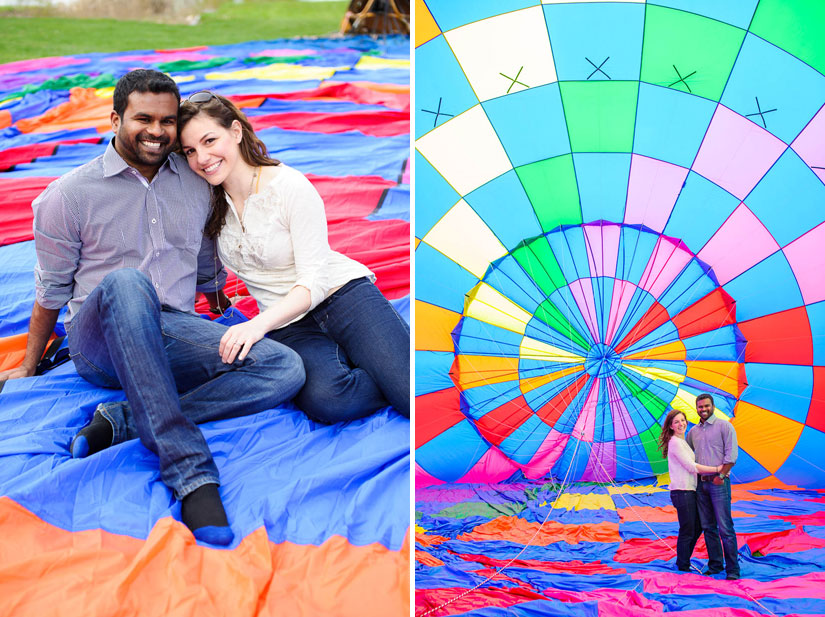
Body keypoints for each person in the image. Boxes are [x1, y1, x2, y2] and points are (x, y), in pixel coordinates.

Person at [0, 70, 305, 546]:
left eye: (167, 121)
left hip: (171, 329)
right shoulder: (68, 194)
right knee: (126, 283)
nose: (157, 131)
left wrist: (224, 311)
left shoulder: (195, 178)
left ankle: (124, 418)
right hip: (100, 339)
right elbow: (51, 290)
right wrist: (28, 363)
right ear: (115, 118)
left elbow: (205, 260)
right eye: (143, 118)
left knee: (283, 368)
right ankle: (192, 475)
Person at [177, 92, 410, 422]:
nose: (202, 157)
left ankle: (392, 363)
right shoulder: (208, 201)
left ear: (236, 132)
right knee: (331, 402)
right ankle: (382, 361)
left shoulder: (289, 186)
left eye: (209, 140)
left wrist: (256, 326)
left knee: (411, 397)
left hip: (340, 296)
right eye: (190, 151)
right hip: (288, 323)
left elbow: (313, 281)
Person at [658, 409, 722, 572]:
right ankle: (683, 564)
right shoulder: (675, 442)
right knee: (687, 528)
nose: (681, 424)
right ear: (671, 426)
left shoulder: (683, 441)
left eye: (683, 420)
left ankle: (683, 558)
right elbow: (691, 466)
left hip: (689, 491)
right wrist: (717, 469)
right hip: (682, 492)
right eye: (677, 422)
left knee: (698, 525)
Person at [687, 393, 740, 580]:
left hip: (719, 483)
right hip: (702, 485)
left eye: (706, 406)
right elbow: (688, 456)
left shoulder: (725, 426)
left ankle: (733, 569)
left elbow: (731, 456)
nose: (703, 409)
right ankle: (716, 565)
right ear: (696, 408)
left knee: (725, 527)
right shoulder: (693, 432)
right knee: (708, 527)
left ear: (713, 406)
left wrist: (721, 476)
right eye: (700, 407)